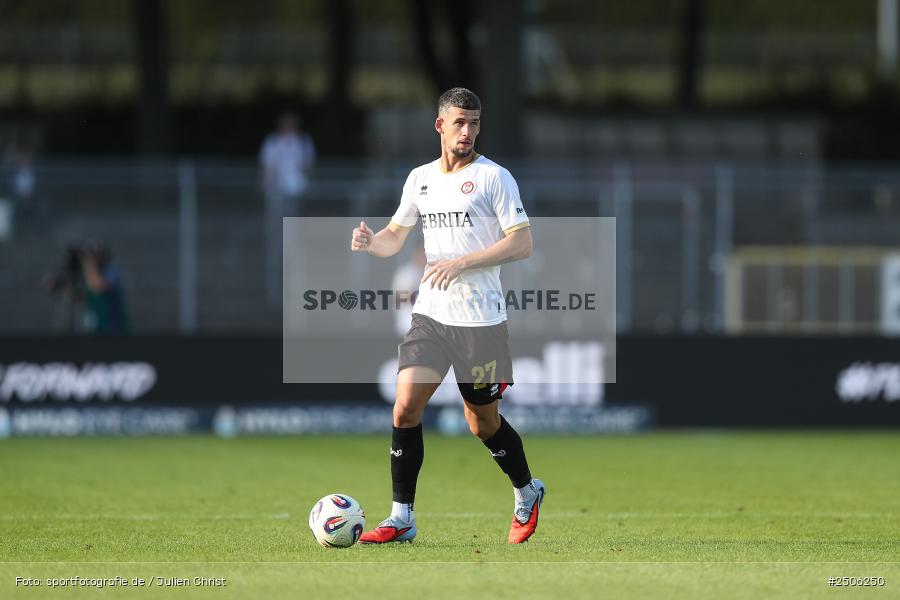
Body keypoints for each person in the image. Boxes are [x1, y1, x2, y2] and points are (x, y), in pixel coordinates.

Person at [350, 87, 544, 544]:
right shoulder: (420, 179)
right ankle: (401, 517)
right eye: (459, 123)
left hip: (481, 322)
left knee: (482, 423)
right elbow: (394, 235)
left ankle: (527, 490)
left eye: (474, 123)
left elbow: (522, 242)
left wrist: (464, 262)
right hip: (431, 316)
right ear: (440, 125)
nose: (467, 132)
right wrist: (371, 242)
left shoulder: (494, 177)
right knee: (405, 407)